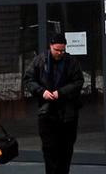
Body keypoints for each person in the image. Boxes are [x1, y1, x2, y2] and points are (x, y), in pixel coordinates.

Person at [23, 30, 85, 174]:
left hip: (68, 114)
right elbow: (28, 80)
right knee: (50, 151)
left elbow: (79, 82)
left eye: (62, 50)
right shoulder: (40, 60)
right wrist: (42, 92)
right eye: (57, 50)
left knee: (66, 151)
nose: (59, 53)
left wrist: (60, 93)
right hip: (47, 112)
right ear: (50, 47)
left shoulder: (71, 62)